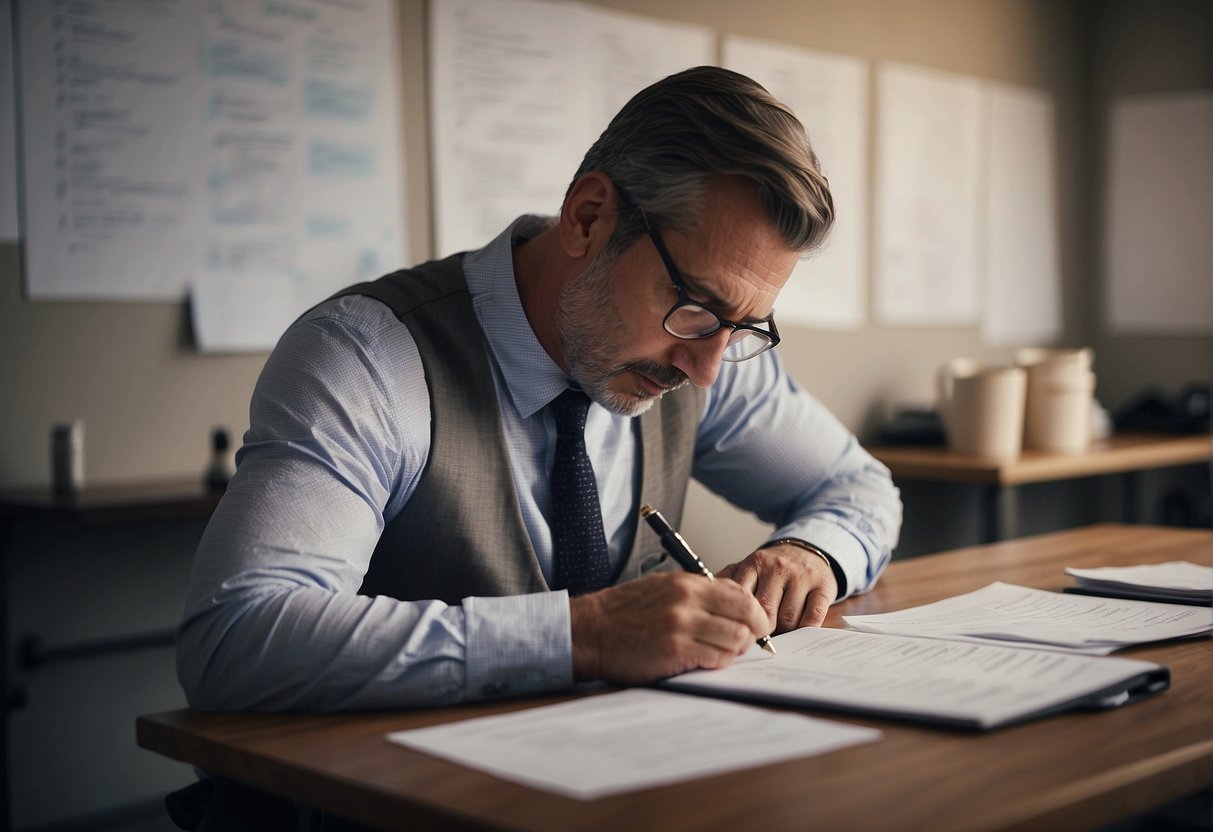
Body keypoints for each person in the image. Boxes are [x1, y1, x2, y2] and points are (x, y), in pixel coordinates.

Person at [176, 65, 901, 713]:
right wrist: (582, 635)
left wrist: (811, 553)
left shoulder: (703, 347)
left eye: (744, 327)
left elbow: (859, 487)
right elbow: (237, 636)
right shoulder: (367, 356)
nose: (706, 367)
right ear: (588, 217)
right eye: (696, 307)